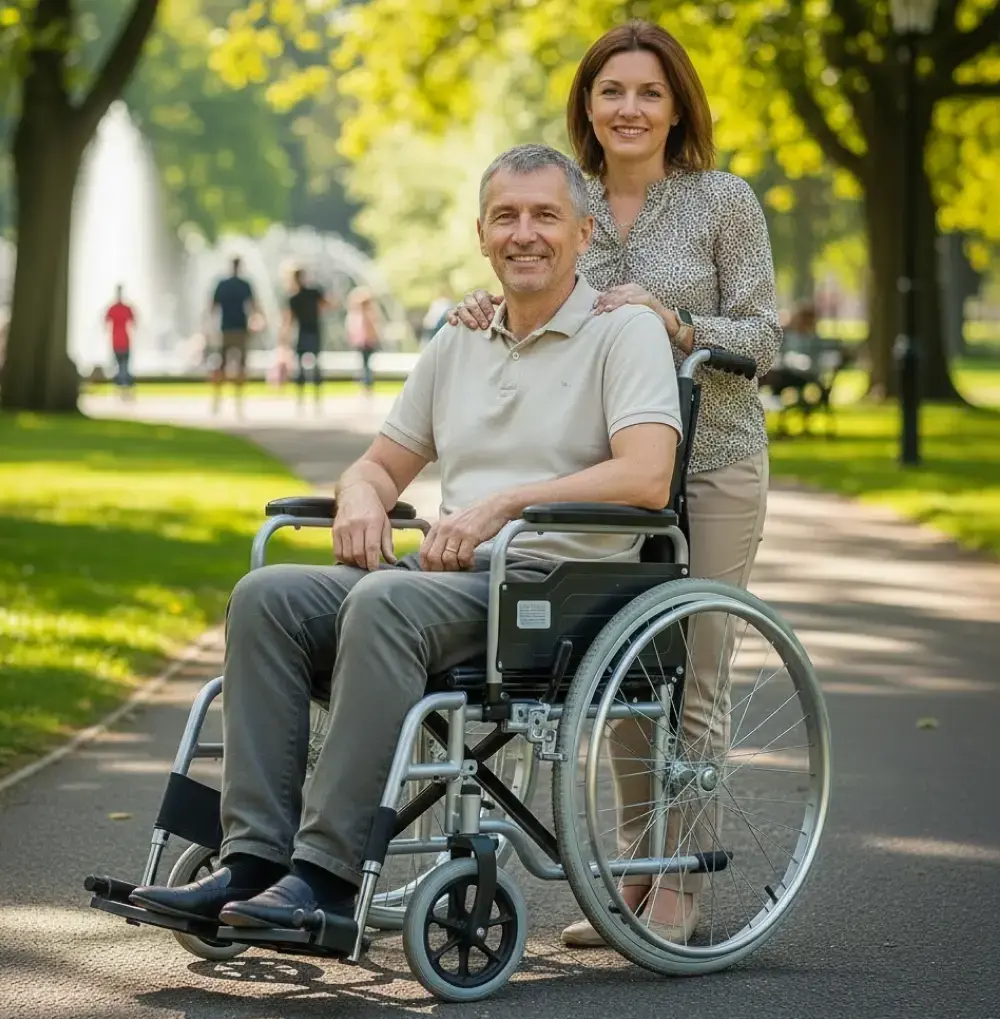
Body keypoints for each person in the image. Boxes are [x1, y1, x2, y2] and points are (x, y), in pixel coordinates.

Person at [127, 143, 682, 931]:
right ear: (482, 235)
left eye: (546, 216)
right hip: (445, 579)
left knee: (385, 601)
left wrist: (505, 506)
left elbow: (646, 476)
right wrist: (359, 497)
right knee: (267, 596)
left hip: (549, 594)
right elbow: (380, 466)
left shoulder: (622, 331)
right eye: (506, 217)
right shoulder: (459, 338)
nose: (525, 233)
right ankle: (250, 863)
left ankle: (324, 880)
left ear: (584, 234)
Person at [449, 21, 781, 947]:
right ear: (587, 107)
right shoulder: (563, 197)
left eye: (648, 92)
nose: (628, 108)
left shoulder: (722, 201)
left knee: (696, 671)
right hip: (604, 470)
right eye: (611, 92)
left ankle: (681, 886)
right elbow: (529, 280)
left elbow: (764, 337)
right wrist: (477, 303)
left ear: (677, 106)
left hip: (710, 463)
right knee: (625, 677)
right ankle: (636, 876)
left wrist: (678, 323)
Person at [211, 257, 258, 415]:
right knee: (241, 366)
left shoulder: (222, 285)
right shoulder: (245, 285)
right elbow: (253, 306)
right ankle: (239, 402)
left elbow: (213, 307)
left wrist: (209, 328)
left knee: (222, 364)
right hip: (240, 328)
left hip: (226, 329)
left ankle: (217, 400)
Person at [283, 268, 329, 404]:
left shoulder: (294, 297)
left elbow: (289, 320)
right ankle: (317, 396)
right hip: (314, 330)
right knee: (316, 363)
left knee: (300, 365)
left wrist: (284, 336)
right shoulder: (313, 292)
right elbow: (327, 304)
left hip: (301, 331)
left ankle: (300, 397)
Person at [345, 285, 381, 393]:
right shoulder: (363, 314)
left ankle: (367, 385)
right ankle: (366, 385)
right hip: (364, 342)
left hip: (365, 342)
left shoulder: (364, 314)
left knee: (365, 364)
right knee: (365, 364)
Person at [104, 286, 136, 401]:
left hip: (117, 341)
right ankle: (125, 391)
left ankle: (120, 392)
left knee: (120, 367)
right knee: (124, 367)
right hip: (123, 341)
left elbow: (105, 321)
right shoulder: (126, 308)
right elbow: (134, 322)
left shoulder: (113, 308)